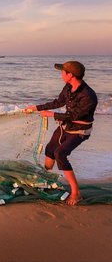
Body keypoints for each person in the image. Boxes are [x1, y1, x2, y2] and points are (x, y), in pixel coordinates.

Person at [24, 60, 97, 206]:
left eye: (63, 72)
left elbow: (74, 116)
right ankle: (46, 179)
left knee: (60, 154)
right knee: (50, 150)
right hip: (66, 126)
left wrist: (51, 115)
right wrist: (36, 107)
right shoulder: (68, 86)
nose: (61, 75)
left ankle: (76, 193)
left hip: (80, 130)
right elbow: (58, 102)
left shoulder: (88, 96)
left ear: (70, 75)